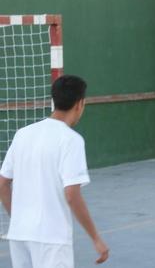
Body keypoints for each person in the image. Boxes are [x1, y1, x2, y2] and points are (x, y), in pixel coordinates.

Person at [0, 75, 109, 267]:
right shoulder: (71, 140)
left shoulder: (23, 134)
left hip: (19, 235)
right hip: (52, 238)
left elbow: (3, 183)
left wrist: (19, 218)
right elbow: (72, 195)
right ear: (79, 104)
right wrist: (96, 238)